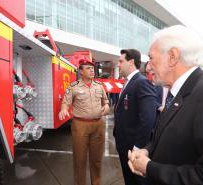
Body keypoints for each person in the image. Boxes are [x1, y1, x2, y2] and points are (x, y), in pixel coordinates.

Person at [128, 25, 203, 185]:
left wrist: (149, 167)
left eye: (151, 58)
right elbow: (165, 136)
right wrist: (147, 150)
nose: (147, 67)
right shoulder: (178, 91)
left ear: (172, 57)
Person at [59, 58, 110, 185]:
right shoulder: (74, 87)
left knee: (97, 159)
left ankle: (96, 183)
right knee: (79, 160)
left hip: (98, 125)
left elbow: (106, 101)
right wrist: (63, 109)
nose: (92, 70)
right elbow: (65, 102)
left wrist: (107, 106)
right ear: (80, 71)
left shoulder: (99, 86)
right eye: (88, 68)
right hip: (80, 126)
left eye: (92, 68)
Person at [113, 49, 158, 185]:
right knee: (129, 179)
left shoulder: (141, 82)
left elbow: (148, 119)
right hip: (124, 144)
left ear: (131, 62)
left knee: (135, 181)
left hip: (133, 148)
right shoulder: (128, 82)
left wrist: (137, 148)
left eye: (121, 61)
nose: (118, 64)